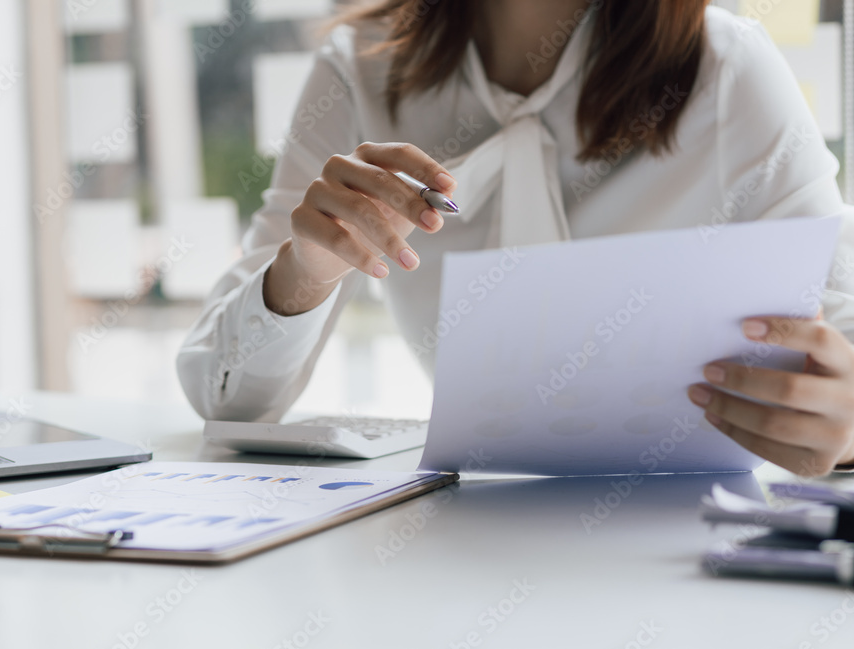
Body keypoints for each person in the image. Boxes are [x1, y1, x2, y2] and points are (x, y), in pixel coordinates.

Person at [178, 0, 854, 476]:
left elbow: (843, 338)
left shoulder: (729, 68)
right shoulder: (359, 68)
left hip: (681, 543)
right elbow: (225, 398)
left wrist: (844, 424)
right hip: (454, 534)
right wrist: (306, 271)